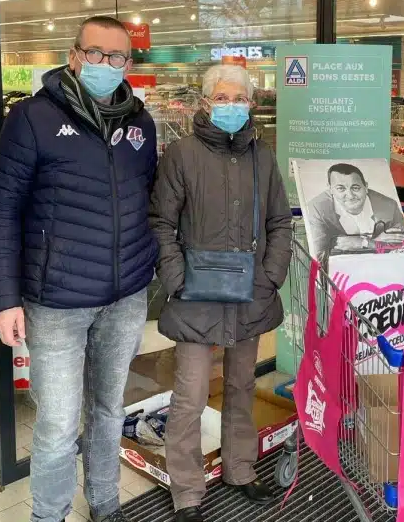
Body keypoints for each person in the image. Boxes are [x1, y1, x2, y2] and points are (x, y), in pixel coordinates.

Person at [0, 16, 158, 522]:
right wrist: (4, 299)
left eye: (117, 57)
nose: (106, 64)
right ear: (75, 56)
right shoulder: (33, 118)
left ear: (128, 63)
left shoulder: (140, 124)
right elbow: (1, 209)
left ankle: (105, 502)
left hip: (125, 297)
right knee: (58, 424)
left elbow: (146, 197)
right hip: (56, 301)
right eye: (96, 53)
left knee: (108, 410)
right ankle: (49, 515)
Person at [149, 64, 292, 522]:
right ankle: (187, 492)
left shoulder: (262, 156)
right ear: (207, 102)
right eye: (223, 98)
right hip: (196, 296)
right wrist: (177, 280)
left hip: (251, 293)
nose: (232, 106)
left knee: (241, 384)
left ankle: (240, 468)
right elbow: (161, 223)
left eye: (240, 98)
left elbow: (279, 221)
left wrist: (270, 276)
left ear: (252, 103)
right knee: (190, 394)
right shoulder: (182, 155)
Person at [306, 163, 404, 256]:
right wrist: (377, 243)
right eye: (341, 188)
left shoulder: (388, 206)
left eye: (355, 188)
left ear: (366, 187)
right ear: (330, 189)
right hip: (341, 269)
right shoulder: (317, 209)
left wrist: (364, 243)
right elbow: (319, 257)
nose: (350, 196)